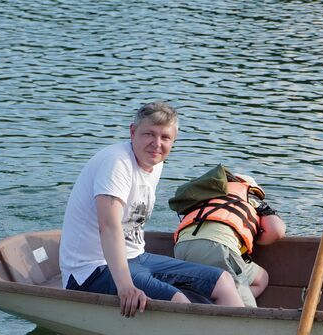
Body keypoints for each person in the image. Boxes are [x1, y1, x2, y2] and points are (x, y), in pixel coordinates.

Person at [59, 102, 243, 317]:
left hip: (136, 257)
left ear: (173, 141)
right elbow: (108, 226)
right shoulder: (116, 163)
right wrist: (125, 286)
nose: (156, 144)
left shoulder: (155, 163)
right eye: (149, 134)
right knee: (178, 301)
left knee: (223, 280)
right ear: (132, 131)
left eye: (165, 138)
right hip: (91, 270)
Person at [171, 169, 287, 306]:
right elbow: (277, 231)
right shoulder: (247, 196)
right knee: (247, 312)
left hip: (182, 248)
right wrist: (256, 239)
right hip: (219, 248)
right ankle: (237, 308)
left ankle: (221, 304)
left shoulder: (204, 198)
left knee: (261, 278)